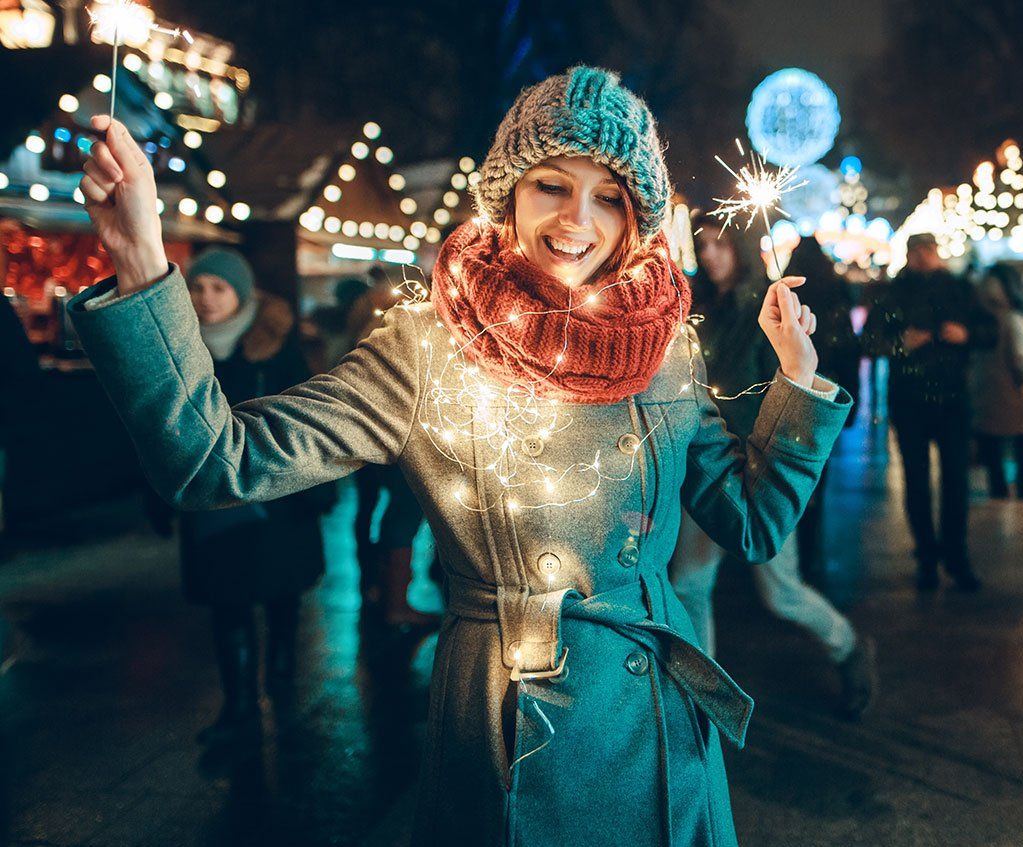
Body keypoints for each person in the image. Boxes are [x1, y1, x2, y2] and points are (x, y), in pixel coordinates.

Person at [71, 67, 850, 845]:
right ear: (507, 192)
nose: (578, 219)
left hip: (666, 741)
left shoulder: (664, 348)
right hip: (515, 725)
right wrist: (141, 257)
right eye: (552, 184)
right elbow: (215, 460)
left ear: (636, 216)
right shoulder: (430, 348)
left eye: (609, 196)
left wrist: (799, 380)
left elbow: (752, 521)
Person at [668, 220, 876, 720]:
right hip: (706, 463)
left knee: (780, 590)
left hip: (756, 466)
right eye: (703, 246)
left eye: (720, 244)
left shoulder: (764, 308)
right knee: (689, 584)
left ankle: (847, 646)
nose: (711, 255)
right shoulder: (700, 308)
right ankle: (703, 698)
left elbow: (785, 385)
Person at [178, 248, 332, 742]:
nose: (206, 299)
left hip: (278, 499)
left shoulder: (278, 347)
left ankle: (282, 689)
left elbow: (308, 421)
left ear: (241, 294)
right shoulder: (180, 349)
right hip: (213, 503)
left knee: (281, 596)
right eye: (198, 287)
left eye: (218, 288)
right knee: (228, 603)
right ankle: (240, 706)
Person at [868, 233, 994, 591]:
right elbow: (870, 340)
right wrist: (900, 344)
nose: (922, 257)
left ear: (936, 253)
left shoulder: (959, 289)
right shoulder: (894, 292)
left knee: (956, 480)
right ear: (908, 255)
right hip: (909, 399)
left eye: (927, 250)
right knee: (917, 480)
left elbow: (989, 330)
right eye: (915, 251)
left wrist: (964, 334)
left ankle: (956, 556)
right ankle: (926, 555)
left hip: (952, 398)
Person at [343, 281, 438, 628]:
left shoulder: (373, 319)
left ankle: (376, 588)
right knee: (402, 515)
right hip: (405, 438)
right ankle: (394, 602)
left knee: (376, 512)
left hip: (379, 438)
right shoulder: (406, 327)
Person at [781, 236, 861, 575]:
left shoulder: (789, 293)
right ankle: (809, 551)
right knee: (816, 470)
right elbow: (848, 349)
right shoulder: (835, 291)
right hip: (825, 391)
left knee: (791, 471)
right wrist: (851, 398)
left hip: (793, 388)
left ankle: (792, 548)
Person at [971, 263, 1023, 499]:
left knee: (992, 436)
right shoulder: (1014, 320)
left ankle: (998, 484)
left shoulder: (982, 320)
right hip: (1013, 386)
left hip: (986, 385)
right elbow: (1022, 357)